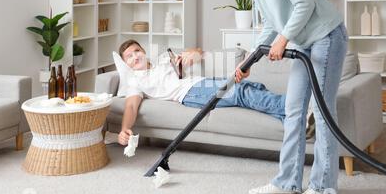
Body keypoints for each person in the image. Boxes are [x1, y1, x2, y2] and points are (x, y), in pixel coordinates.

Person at [217, 0, 348, 194]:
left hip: (326, 36)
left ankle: (324, 186)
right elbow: (270, 25)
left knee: (323, 111)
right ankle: (287, 182)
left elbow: (304, 3)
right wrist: (249, 61)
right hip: (304, 44)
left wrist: (283, 39)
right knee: (293, 110)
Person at [115, 39, 286, 146]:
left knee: (251, 87)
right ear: (126, 64)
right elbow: (130, 106)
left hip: (201, 82)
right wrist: (124, 129)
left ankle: (291, 120)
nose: (135, 56)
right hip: (190, 93)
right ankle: (293, 109)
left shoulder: (163, 59)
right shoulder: (136, 80)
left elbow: (198, 52)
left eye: (137, 51)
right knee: (240, 91)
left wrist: (191, 55)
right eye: (129, 56)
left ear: (143, 52)